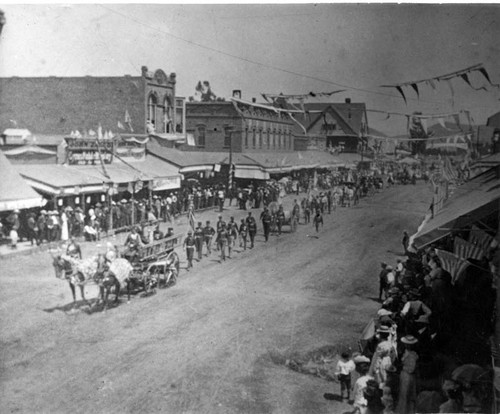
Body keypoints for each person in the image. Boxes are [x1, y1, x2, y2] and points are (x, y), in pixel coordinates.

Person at [396, 335, 419, 414]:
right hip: (404, 375)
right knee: (403, 394)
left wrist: (403, 367)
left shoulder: (413, 355)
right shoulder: (406, 352)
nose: (406, 345)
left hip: (408, 375)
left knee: (407, 394)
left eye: (408, 344)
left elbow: (411, 368)